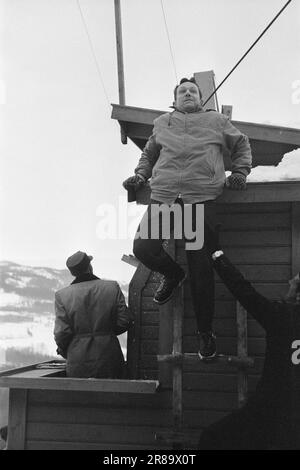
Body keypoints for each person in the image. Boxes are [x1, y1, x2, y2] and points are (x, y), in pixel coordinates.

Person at [123, 77, 252, 358]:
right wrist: (140, 175)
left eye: (193, 91)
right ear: (176, 99)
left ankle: (205, 333)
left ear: (201, 98)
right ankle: (172, 274)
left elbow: (241, 143)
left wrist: (240, 172)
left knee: (201, 267)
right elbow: (149, 154)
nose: (188, 94)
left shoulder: (215, 120)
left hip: (199, 199)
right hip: (166, 196)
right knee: (143, 248)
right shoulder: (162, 123)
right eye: (183, 91)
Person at [198, 230, 300, 449]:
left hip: (269, 413)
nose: (290, 281)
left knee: (211, 438)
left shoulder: (282, 317)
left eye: (295, 282)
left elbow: (244, 291)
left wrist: (217, 255)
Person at [54, 251, 132, 379]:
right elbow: (124, 320)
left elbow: (61, 333)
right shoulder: (112, 288)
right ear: (89, 267)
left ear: (72, 273)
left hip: (78, 361)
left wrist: (67, 349)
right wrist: (106, 333)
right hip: (109, 357)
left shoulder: (62, 296)